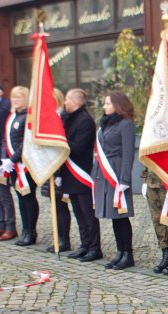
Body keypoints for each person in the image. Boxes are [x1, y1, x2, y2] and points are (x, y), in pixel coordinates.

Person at [92, 92, 136, 270]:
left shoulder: (126, 125)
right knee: (113, 215)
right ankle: (120, 252)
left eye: (108, 103)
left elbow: (128, 153)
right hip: (104, 173)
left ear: (118, 105)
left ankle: (128, 254)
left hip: (117, 173)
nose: (105, 107)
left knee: (121, 216)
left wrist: (125, 178)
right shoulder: (105, 124)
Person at [61, 88, 102, 262]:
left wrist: (60, 138)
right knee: (78, 212)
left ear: (75, 102)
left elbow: (78, 147)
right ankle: (85, 245)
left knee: (88, 214)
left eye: (67, 100)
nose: (64, 103)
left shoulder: (85, 121)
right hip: (70, 174)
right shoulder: (69, 118)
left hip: (81, 174)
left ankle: (94, 248)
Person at [2, 86, 38, 246]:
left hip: (25, 164)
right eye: (14, 97)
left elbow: (26, 142)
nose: (16, 100)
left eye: (19, 97)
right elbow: (5, 139)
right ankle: (25, 230)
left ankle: (31, 231)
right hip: (13, 165)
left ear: (26, 99)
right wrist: (5, 159)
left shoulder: (28, 117)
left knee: (28, 197)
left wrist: (13, 158)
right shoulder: (12, 117)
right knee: (20, 198)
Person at [42, 88, 72, 253]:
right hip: (50, 166)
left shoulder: (62, 117)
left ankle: (63, 240)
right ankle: (58, 237)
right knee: (55, 205)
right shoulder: (47, 118)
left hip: (60, 168)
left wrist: (58, 172)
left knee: (61, 206)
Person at [142, 168, 168, 274]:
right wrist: (145, 179)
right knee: (157, 220)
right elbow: (146, 157)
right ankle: (166, 253)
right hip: (152, 181)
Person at [0, 84, 17, 241]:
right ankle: (0, 224)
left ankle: (10, 226)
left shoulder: (5, 106)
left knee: (4, 193)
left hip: (3, 156)